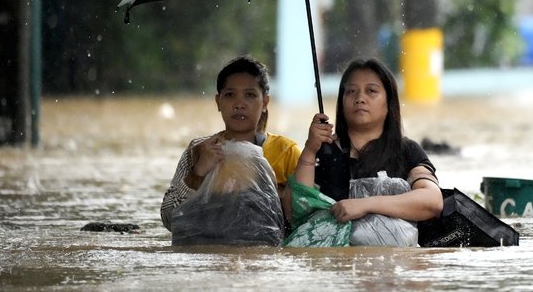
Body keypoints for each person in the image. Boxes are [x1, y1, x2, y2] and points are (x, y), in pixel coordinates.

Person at [292, 58, 443, 227]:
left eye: (371, 91)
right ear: (341, 103)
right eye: (351, 92)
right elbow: (296, 211)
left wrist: (364, 205)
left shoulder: (405, 150)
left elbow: (433, 201)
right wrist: (310, 149)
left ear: (389, 102)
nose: (360, 98)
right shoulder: (323, 150)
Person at [160, 55, 302, 234]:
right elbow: (169, 219)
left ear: (265, 102)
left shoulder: (286, 152)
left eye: (249, 95)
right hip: (210, 255)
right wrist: (198, 174)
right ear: (218, 102)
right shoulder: (199, 150)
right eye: (230, 95)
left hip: (264, 257)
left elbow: (307, 220)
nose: (239, 104)